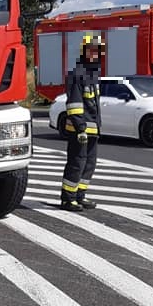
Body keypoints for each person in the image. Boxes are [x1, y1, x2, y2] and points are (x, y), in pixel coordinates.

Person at [60, 33, 104, 212]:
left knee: (89, 164)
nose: (95, 54)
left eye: (98, 51)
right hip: (81, 130)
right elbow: (75, 104)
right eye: (92, 50)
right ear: (84, 51)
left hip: (93, 129)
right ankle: (68, 199)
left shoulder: (92, 74)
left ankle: (80, 195)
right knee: (77, 163)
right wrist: (80, 128)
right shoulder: (76, 74)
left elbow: (94, 105)